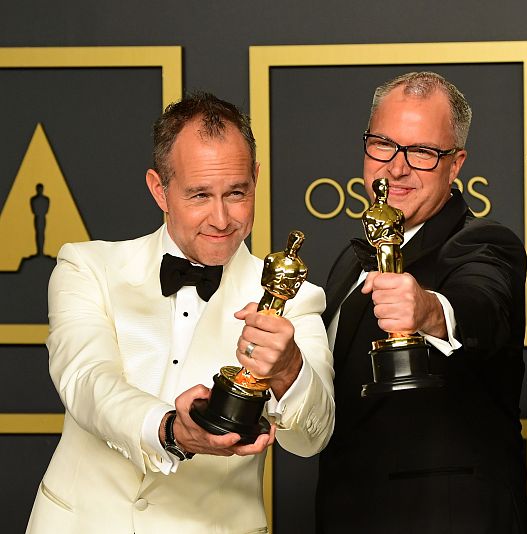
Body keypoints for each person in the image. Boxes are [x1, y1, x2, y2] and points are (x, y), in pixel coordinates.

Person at [26, 92, 335, 533]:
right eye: (199, 195)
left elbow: (312, 438)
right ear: (160, 190)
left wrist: (289, 370)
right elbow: (88, 381)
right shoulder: (87, 267)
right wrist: (170, 429)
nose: (221, 217)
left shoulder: (295, 297)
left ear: (256, 179)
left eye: (236, 192)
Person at [317, 71, 527, 533]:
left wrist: (431, 310)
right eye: (384, 145)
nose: (397, 167)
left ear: (456, 165)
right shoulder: (347, 262)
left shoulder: (485, 244)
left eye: (422, 152)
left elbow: (482, 304)